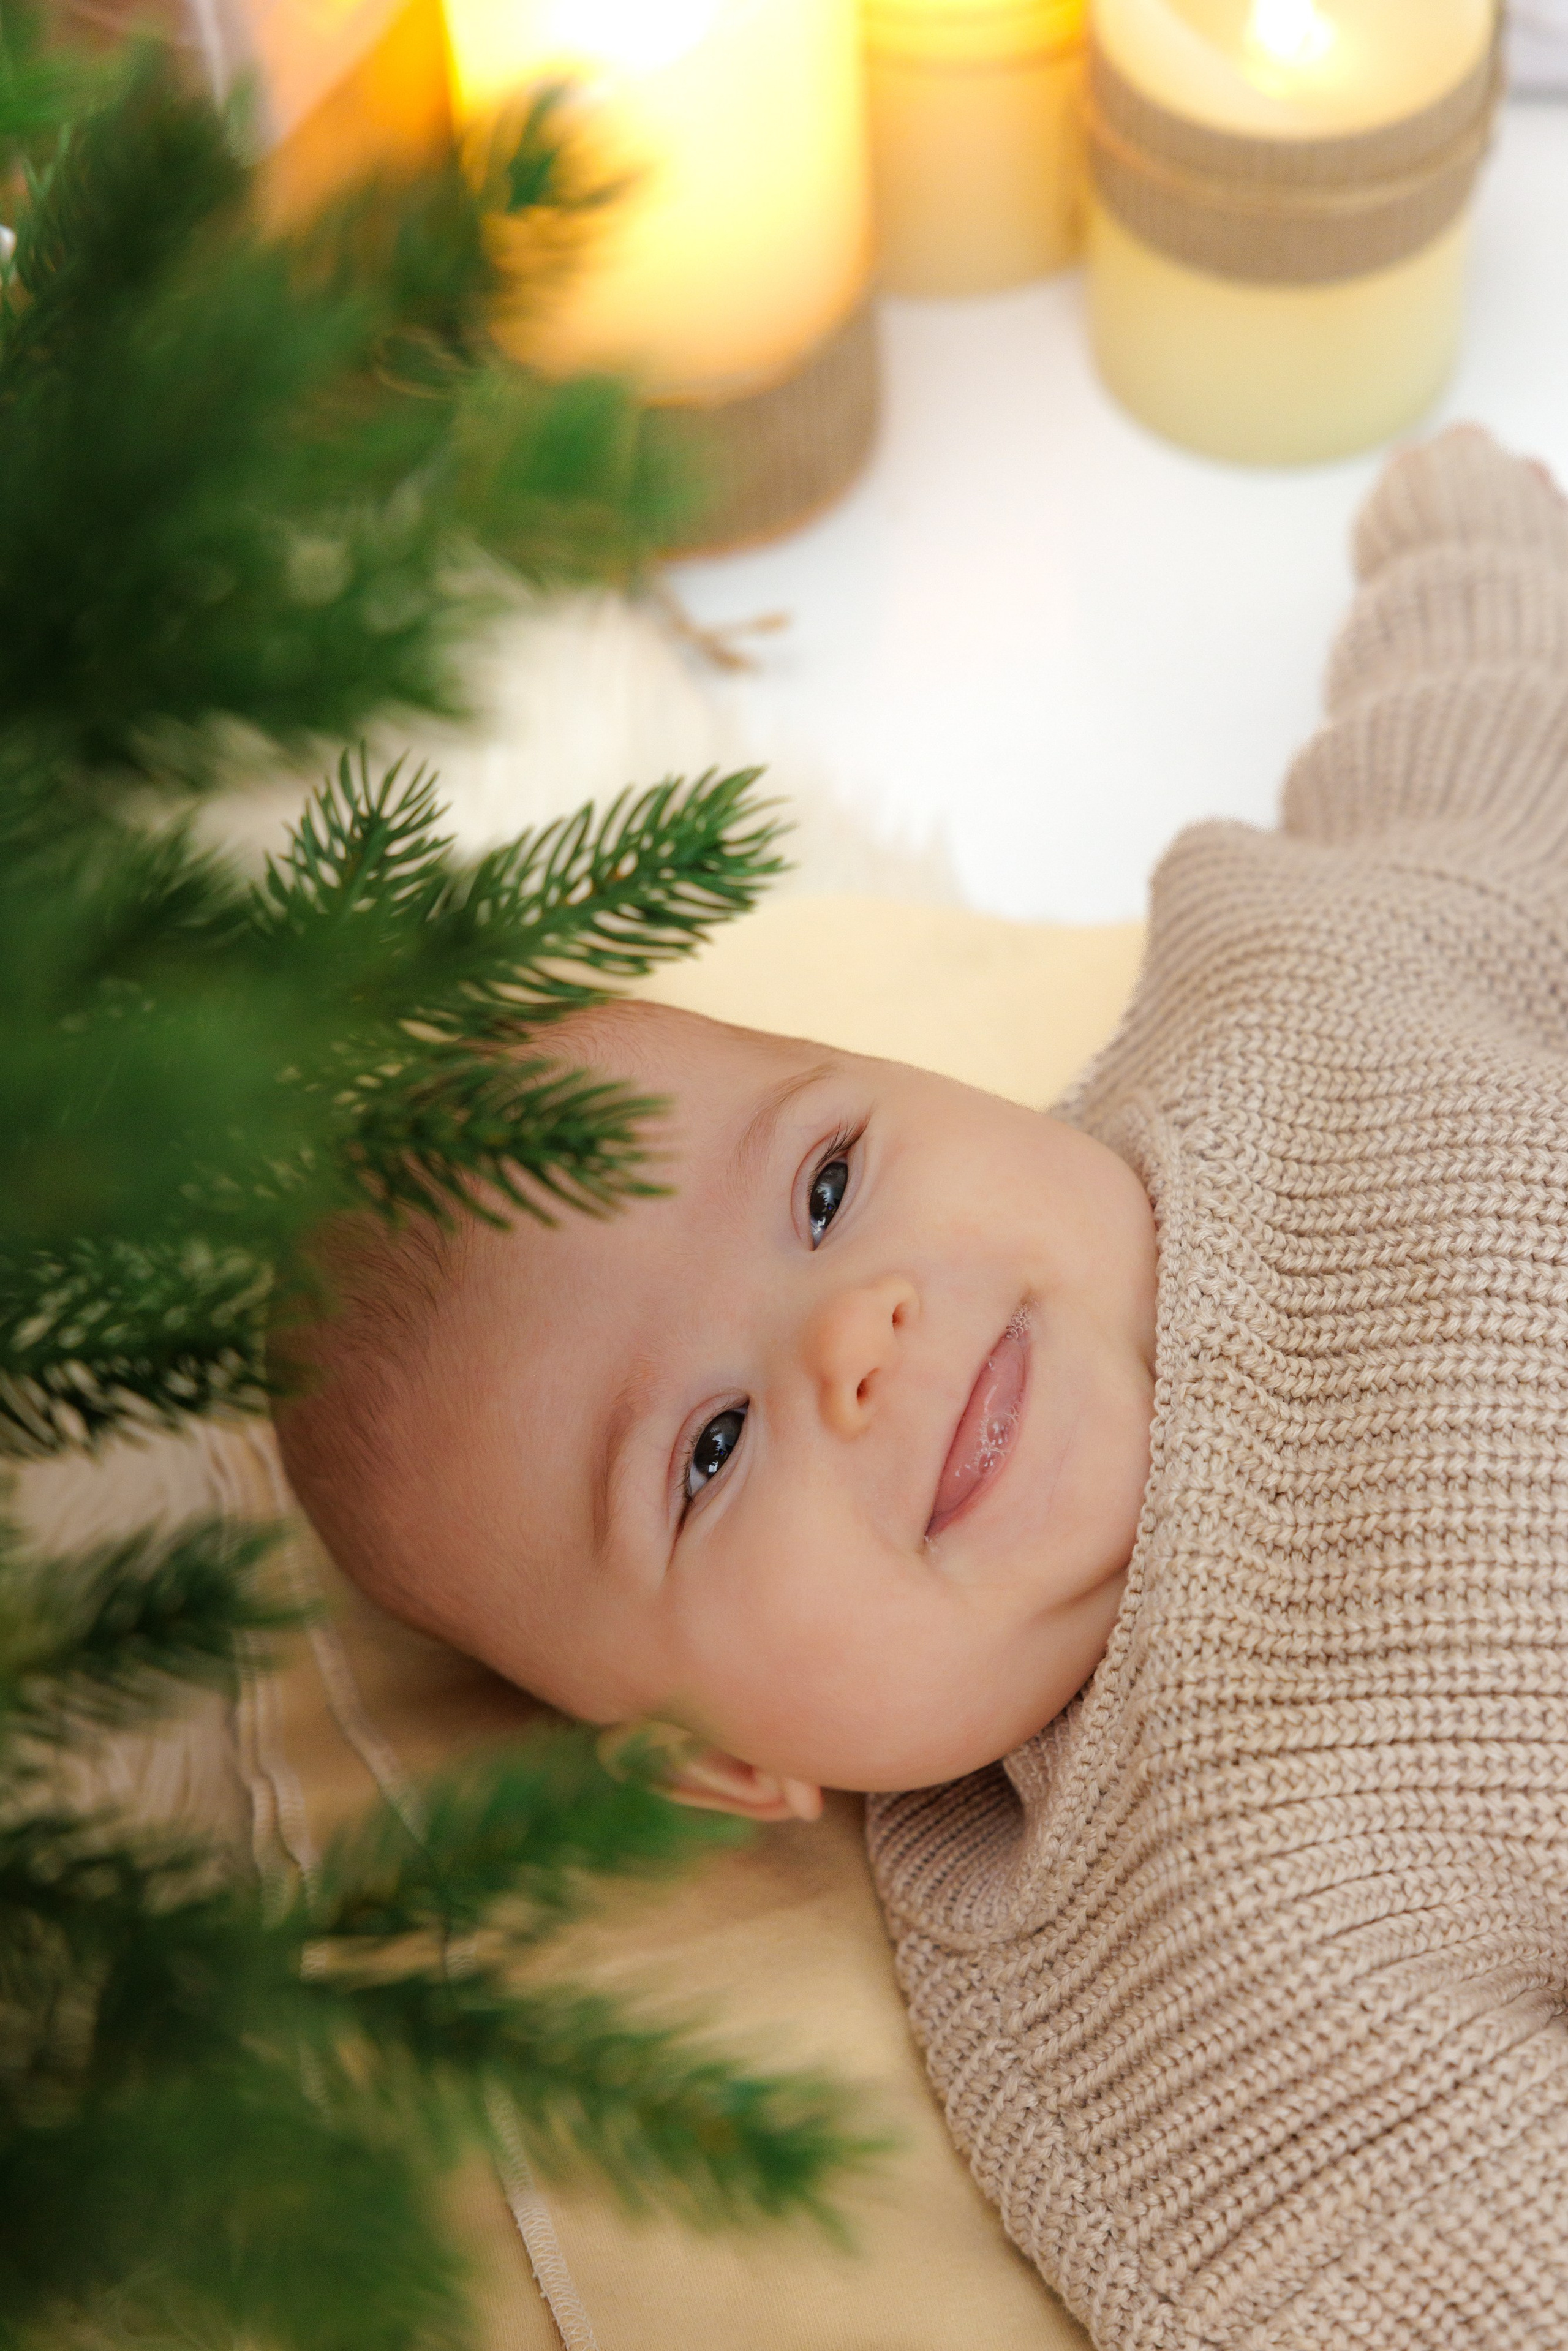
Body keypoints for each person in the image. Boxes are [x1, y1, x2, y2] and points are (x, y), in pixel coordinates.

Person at [277, 427, 1568, 2345]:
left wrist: (1463, 545)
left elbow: (1463, 777)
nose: (848, 1337)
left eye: (824, 1183)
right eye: (709, 1455)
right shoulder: (1177, 1976)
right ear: (719, 1763)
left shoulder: (1276, 992)